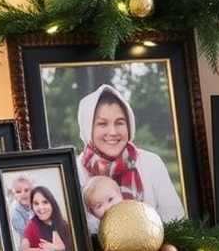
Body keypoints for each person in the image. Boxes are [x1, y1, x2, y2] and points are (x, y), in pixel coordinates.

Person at [76, 84, 185, 221]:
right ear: (87, 129)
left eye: (120, 123)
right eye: (102, 124)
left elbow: (176, 218)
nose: (113, 132)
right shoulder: (74, 172)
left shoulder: (151, 163)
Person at [20, 184, 73, 251]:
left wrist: (57, 250)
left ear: (52, 204)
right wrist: (47, 250)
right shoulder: (31, 225)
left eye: (45, 202)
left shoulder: (64, 224)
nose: (41, 207)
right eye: (36, 204)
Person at [7, 175, 33, 241]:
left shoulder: (34, 203)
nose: (23, 194)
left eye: (26, 190)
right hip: (28, 240)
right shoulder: (14, 211)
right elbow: (25, 232)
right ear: (14, 195)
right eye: (18, 192)